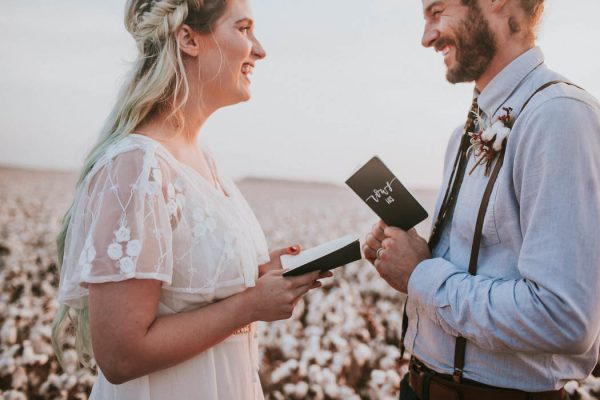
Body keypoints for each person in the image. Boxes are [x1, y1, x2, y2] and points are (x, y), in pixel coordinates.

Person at [51, 0, 330, 399]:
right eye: (244, 29)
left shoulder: (205, 161)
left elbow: (190, 284)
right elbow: (120, 355)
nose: (260, 49)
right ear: (188, 39)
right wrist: (250, 305)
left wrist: (258, 272)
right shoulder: (137, 165)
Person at [364, 0, 600, 399]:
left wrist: (420, 276)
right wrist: (411, 254)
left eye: (436, 12)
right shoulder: (465, 133)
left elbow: (563, 317)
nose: (426, 38)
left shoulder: (558, 117)